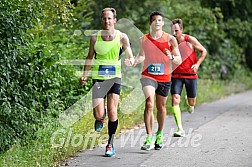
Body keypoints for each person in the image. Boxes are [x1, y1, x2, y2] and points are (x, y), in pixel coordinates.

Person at [80, 7, 134, 157]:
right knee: (99, 114)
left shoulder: (122, 37)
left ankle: (110, 144)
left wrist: (130, 59)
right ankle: (100, 118)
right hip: (98, 77)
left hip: (114, 77)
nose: (107, 21)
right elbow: (89, 56)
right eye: (104, 18)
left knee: (112, 111)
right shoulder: (94, 37)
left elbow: (129, 52)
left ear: (115, 20)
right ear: (101, 20)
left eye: (110, 18)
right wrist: (85, 74)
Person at [134, 11, 181, 150]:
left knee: (161, 107)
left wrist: (171, 57)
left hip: (164, 77)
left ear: (163, 23)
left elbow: (178, 59)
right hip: (148, 75)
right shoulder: (144, 39)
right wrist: (134, 61)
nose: (157, 22)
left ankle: (159, 134)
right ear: (151, 23)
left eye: (160, 20)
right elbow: (141, 56)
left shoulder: (170, 39)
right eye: (154, 20)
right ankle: (148, 137)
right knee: (149, 104)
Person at [170, 18, 207, 137]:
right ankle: (180, 128)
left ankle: (189, 103)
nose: (174, 33)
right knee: (175, 98)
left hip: (190, 74)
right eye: (172, 31)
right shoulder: (170, 41)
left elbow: (203, 51)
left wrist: (197, 64)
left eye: (176, 31)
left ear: (181, 30)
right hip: (176, 75)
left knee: (192, 102)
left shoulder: (190, 40)